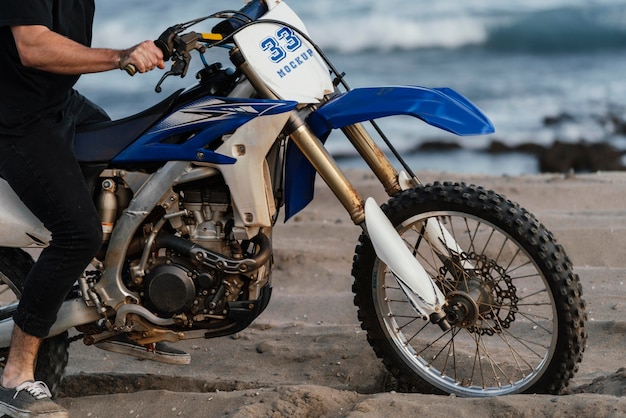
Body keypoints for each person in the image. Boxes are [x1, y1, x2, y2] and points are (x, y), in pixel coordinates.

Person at [0, 1, 187, 417]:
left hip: (57, 102)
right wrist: (121, 56)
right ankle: (14, 377)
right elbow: (32, 46)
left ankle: (119, 311)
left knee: (130, 175)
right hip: (14, 119)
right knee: (77, 232)